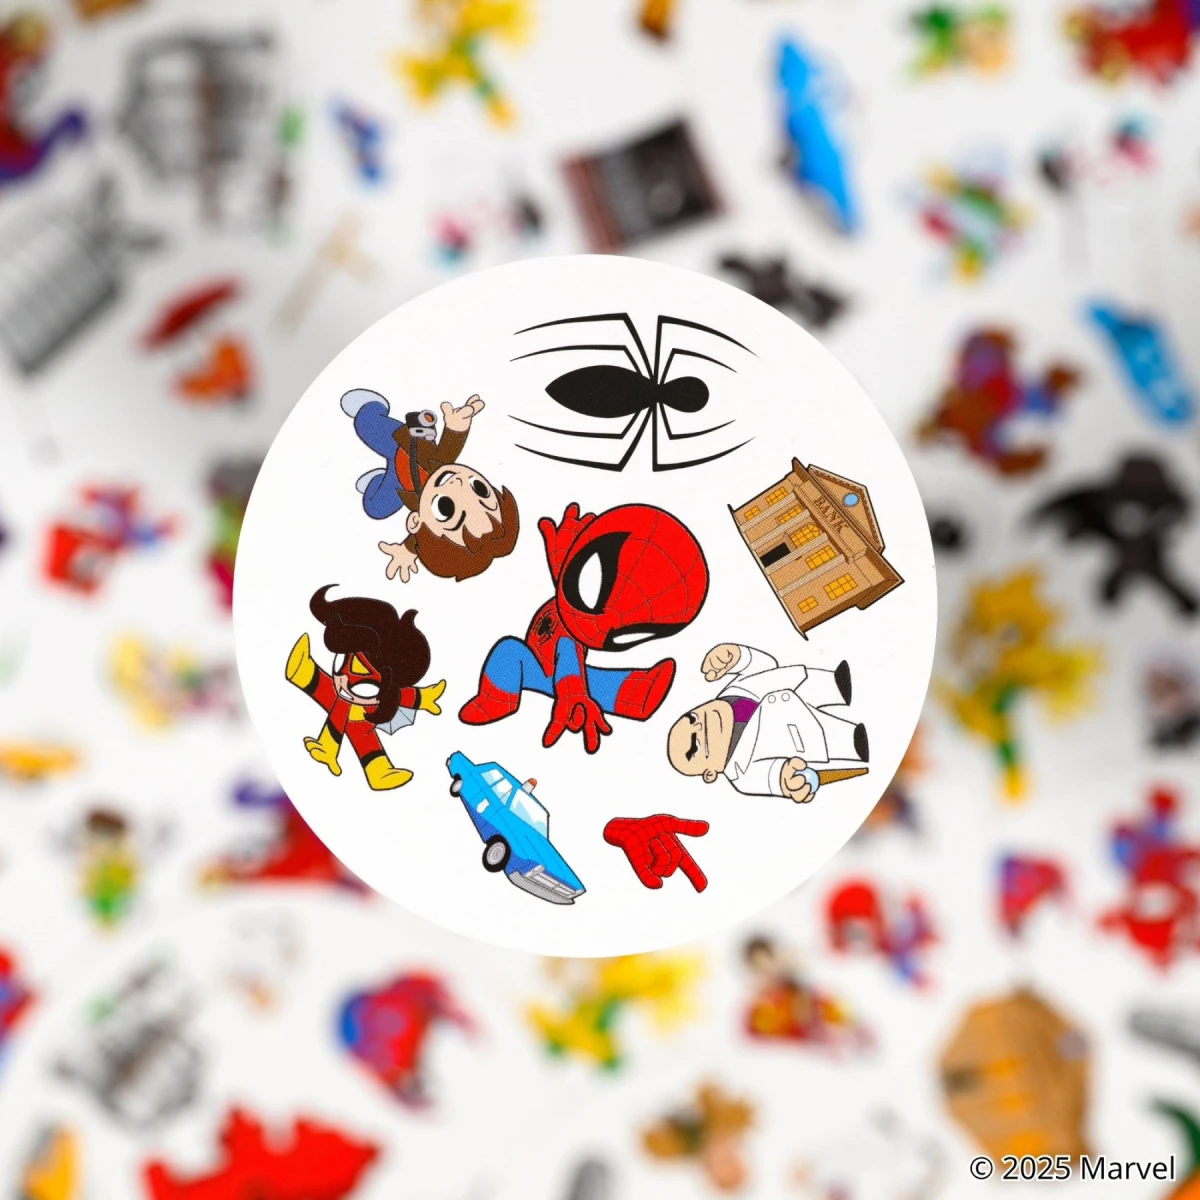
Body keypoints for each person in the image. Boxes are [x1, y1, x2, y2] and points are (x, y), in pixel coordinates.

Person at [341, 387, 519, 583]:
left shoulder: (422, 518)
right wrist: (456, 427)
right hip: (402, 445)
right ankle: (373, 405)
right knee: (365, 424)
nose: (458, 483)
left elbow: (422, 536)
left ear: (415, 520)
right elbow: (449, 448)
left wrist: (407, 551)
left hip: (400, 486)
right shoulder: (438, 463)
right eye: (479, 489)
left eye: (446, 508)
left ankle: (377, 479)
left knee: (374, 508)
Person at [666, 643, 867, 801]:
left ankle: (835, 685)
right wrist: (787, 782)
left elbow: (764, 666)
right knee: (843, 737)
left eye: (692, 718)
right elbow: (773, 777)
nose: (699, 726)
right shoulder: (743, 775)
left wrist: (737, 657)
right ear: (710, 773)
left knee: (839, 684)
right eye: (695, 743)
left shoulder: (732, 690)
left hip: (813, 684)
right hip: (810, 735)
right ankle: (854, 742)